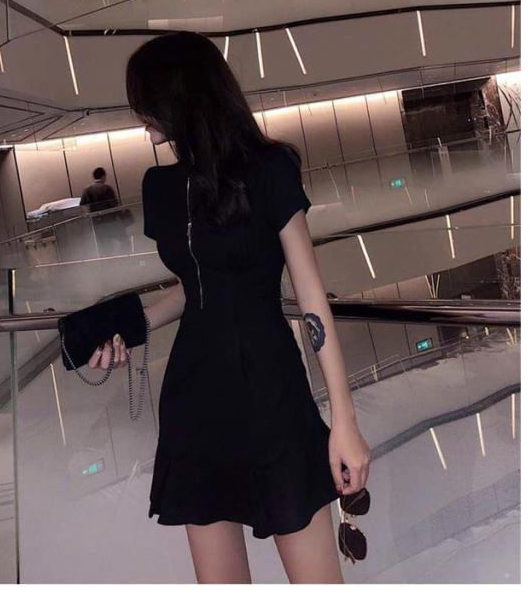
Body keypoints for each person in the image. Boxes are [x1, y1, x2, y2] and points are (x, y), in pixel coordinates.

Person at [87, 31, 371, 584]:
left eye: (147, 103)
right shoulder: (160, 187)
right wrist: (129, 327)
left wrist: (344, 420)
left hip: (272, 393)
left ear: (180, 98)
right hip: (196, 400)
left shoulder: (270, 169)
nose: (143, 121)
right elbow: (194, 288)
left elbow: (311, 297)